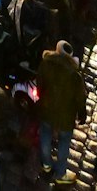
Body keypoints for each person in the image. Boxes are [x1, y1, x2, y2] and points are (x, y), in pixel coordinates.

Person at [37, 39, 87, 181]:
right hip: (66, 115)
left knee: (45, 136)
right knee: (64, 142)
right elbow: (80, 98)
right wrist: (82, 114)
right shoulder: (75, 75)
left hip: (47, 109)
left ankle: (47, 165)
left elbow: (39, 84)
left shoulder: (46, 63)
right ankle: (60, 174)